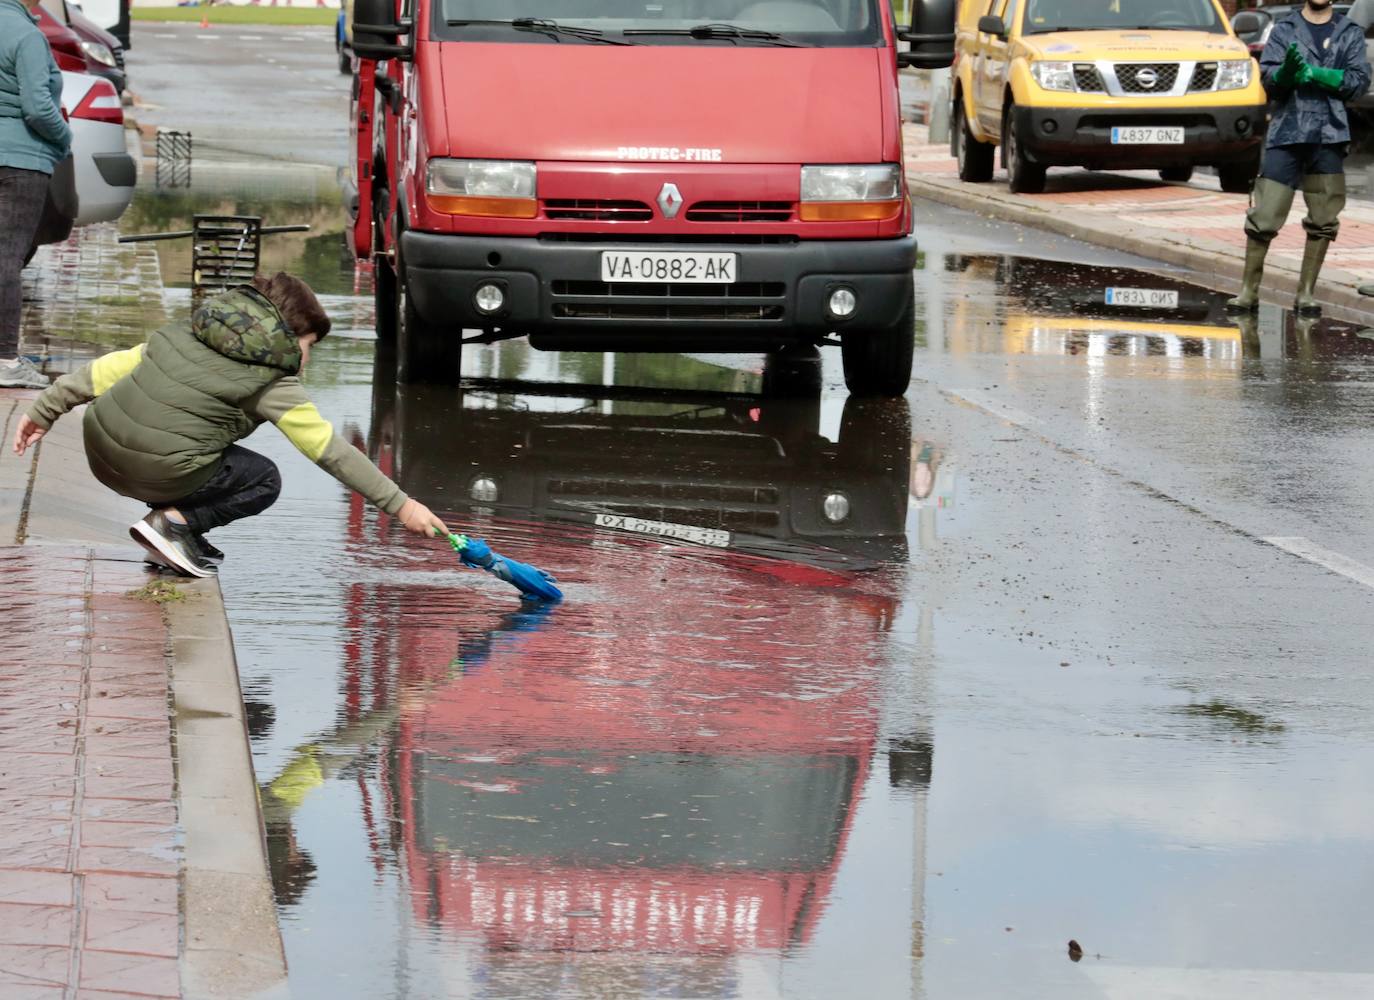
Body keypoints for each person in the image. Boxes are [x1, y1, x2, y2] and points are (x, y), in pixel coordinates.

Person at [11, 273, 450, 576]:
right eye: (309, 344)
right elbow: (330, 451)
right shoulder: (273, 380)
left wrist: (44, 409)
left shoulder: (185, 331)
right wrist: (401, 505)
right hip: (156, 468)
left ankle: (174, 535)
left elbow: (104, 371)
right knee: (263, 479)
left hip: (99, 453)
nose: (309, 357)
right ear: (288, 335)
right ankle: (172, 525)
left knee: (198, 443)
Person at [1227, 0, 1372, 315]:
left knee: (1323, 219)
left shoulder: (1349, 32)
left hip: (1329, 135)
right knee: (1265, 215)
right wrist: (1285, 76)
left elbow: (1359, 82)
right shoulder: (1285, 29)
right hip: (1288, 132)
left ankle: (1305, 293)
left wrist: (1322, 75)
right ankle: (1248, 291)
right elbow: (1268, 82)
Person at [0, 0, 71, 389]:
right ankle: (6, 361)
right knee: (8, 257)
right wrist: (64, 139)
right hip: (21, 161)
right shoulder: (26, 35)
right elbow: (38, 108)